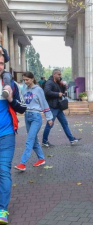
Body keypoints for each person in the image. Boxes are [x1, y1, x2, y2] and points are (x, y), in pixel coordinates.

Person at [0, 54, 27, 224]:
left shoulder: (11, 85)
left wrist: (10, 98)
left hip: (6, 135)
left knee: (3, 170)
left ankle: (3, 209)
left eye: (1, 63)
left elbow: (23, 108)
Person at [14, 72, 53, 172]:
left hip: (36, 117)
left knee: (29, 140)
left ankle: (23, 163)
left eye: (27, 79)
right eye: (24, 80)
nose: (25, 82)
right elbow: (21, 102)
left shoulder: (38, 89)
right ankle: (41, 159)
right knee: (34, 140)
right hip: (27, 116)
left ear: (32, 79)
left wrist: (49, 118)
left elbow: (44, 103)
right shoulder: (24, 89)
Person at [42, 69, 81, 147]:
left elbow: (62, 92)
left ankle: (71, 139)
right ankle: (44, 141)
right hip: (53, 107)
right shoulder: (49, 82)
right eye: (59, 74)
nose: (60, 76)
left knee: (64, 123)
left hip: (58, 107)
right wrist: (57, 94)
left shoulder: (57, 83)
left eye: (60, 74)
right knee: (50, 125)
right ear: (54, 75)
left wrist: (63, 86)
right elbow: (47, 92)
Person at [0, 32, 11, 100]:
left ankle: (6, 89)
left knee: (7, 76)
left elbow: (7, 59)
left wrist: (2, 53)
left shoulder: (3, 49)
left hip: (3, 71)